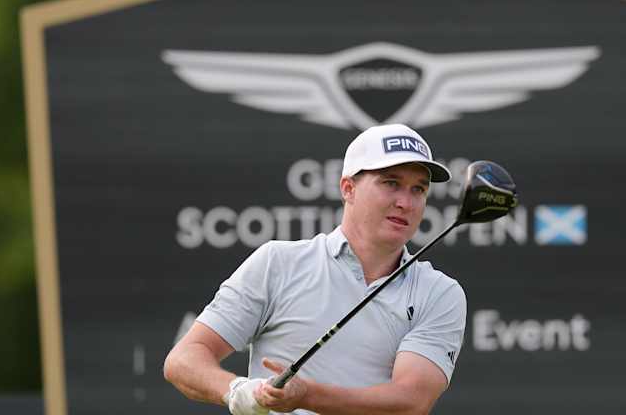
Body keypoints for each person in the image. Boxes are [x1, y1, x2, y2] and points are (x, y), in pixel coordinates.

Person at [164, 123, 467, 415]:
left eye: (419, 189)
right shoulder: (277, 263)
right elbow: (184, 359)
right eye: (391, 183)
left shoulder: (439, 292)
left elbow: (410, 401)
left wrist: (305, 395)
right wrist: (236, 390)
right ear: (348, 188)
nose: (406, 202)